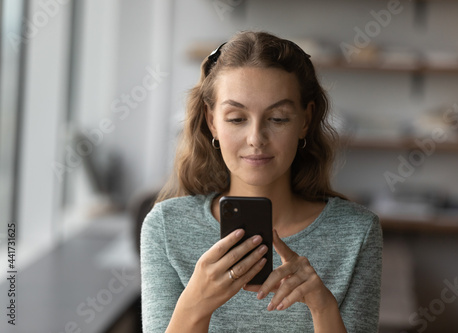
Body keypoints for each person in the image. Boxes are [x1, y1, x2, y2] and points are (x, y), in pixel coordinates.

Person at [140, 31, 382, 333]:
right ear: (211, 120)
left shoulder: (356, 233)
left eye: (278, 118)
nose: (256, 139)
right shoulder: (165, 228)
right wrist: (194, 305)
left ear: (305, 120)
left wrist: (323, 308)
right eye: (236, 118)